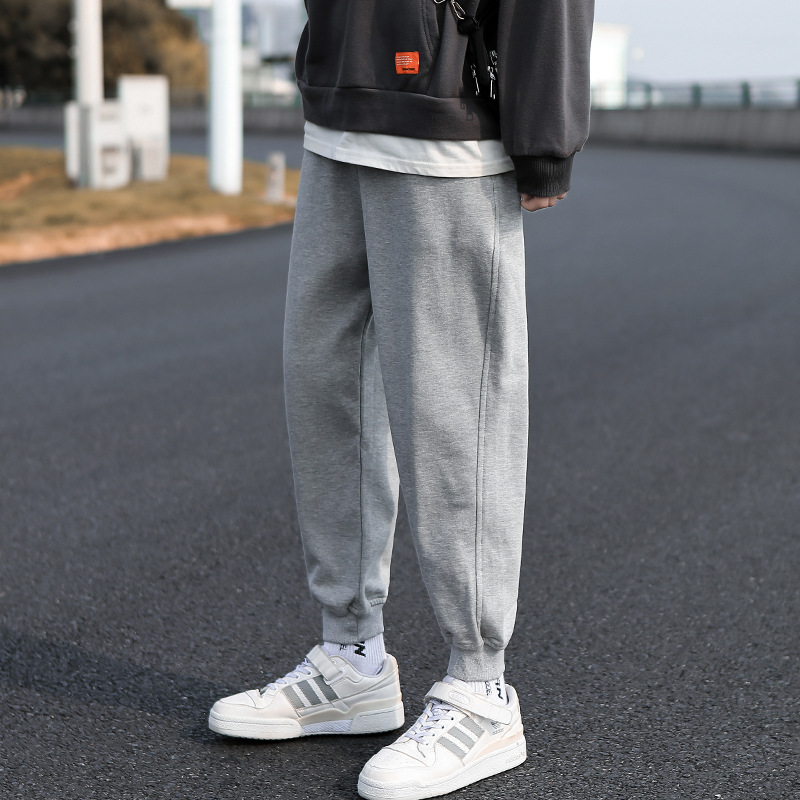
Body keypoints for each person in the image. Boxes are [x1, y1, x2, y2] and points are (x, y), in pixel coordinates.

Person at [208, 0, 594, 797]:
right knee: (325, 387)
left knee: (456, 413)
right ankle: (351, 657)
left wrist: (544, 136)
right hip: (342, 111)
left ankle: (481, 689)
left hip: (447, 115)